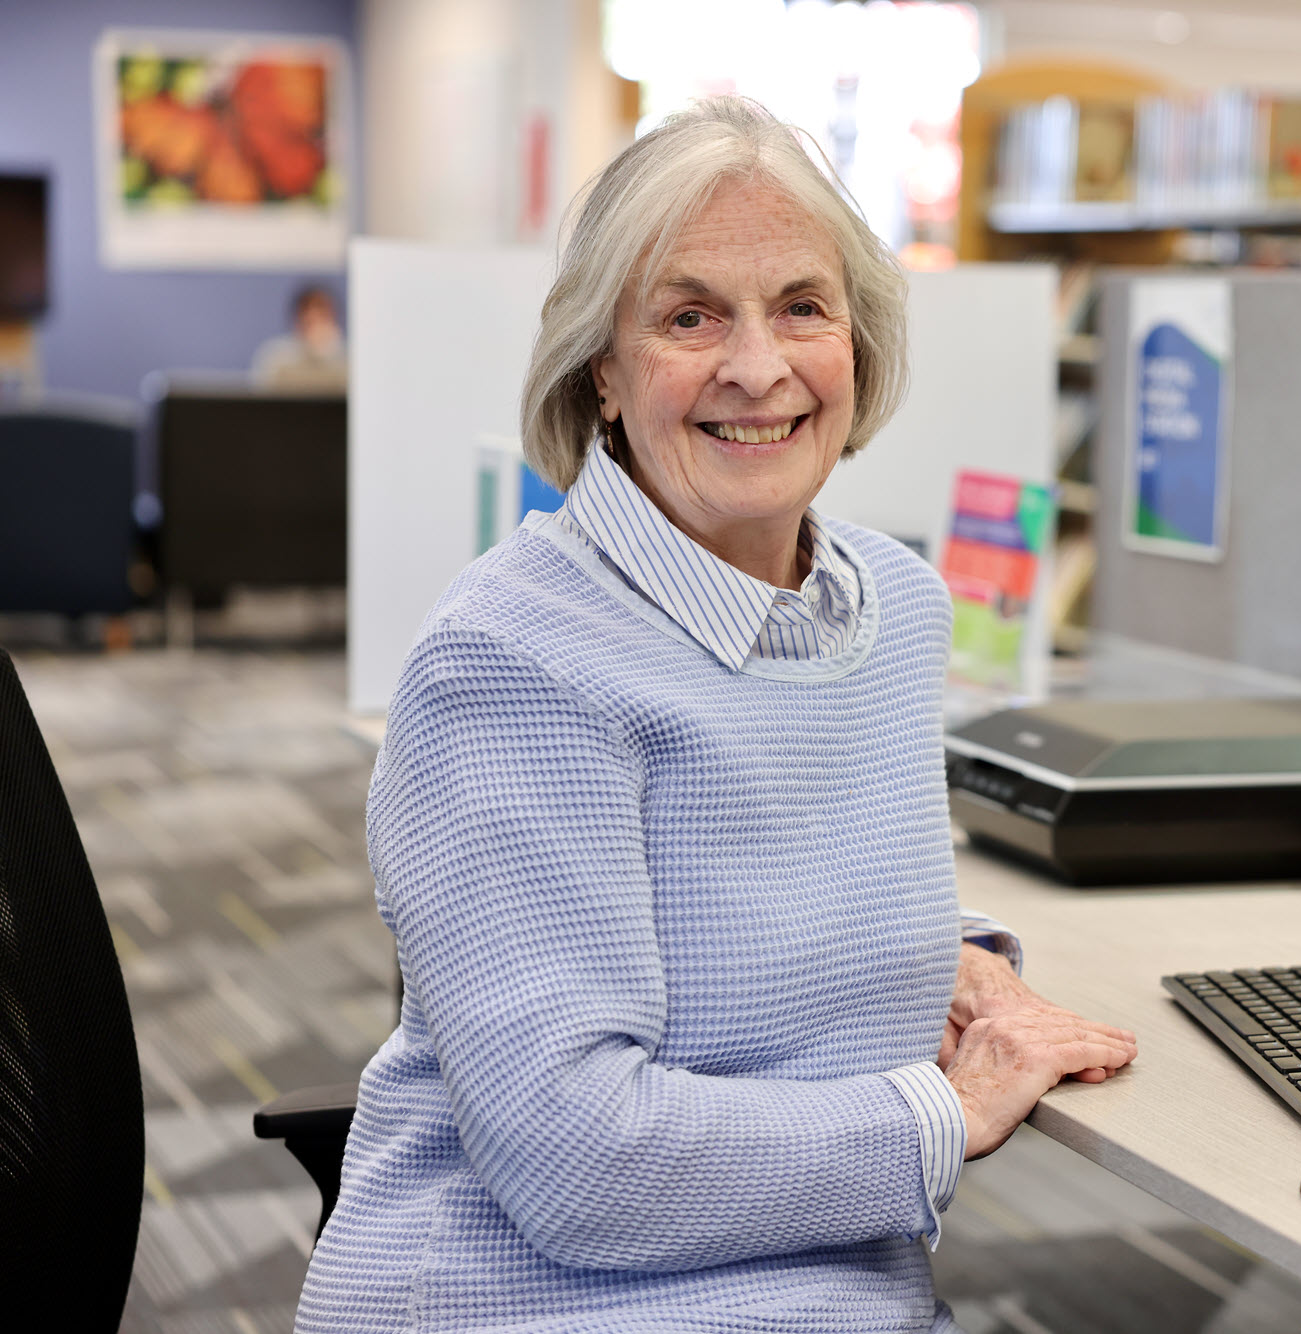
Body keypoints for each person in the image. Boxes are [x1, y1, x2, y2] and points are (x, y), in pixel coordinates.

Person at [295, 97, 1136, 1333]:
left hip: (827, 1286)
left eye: (803, 305)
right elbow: (581, 1159)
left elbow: (753, 886)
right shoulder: (513, 659)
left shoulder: (890, 608)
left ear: (860, 338)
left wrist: (958, 970)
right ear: (604, 367)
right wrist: (942, 1114)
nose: (758, 367)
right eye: (690, 317)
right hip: (535, 1300)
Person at [251, 283, 346, 391]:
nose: (317, 329)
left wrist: (327, 351)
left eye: (322, 319)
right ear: (297, 322)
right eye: (309, 323)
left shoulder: (348, 362)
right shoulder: (277, 359)